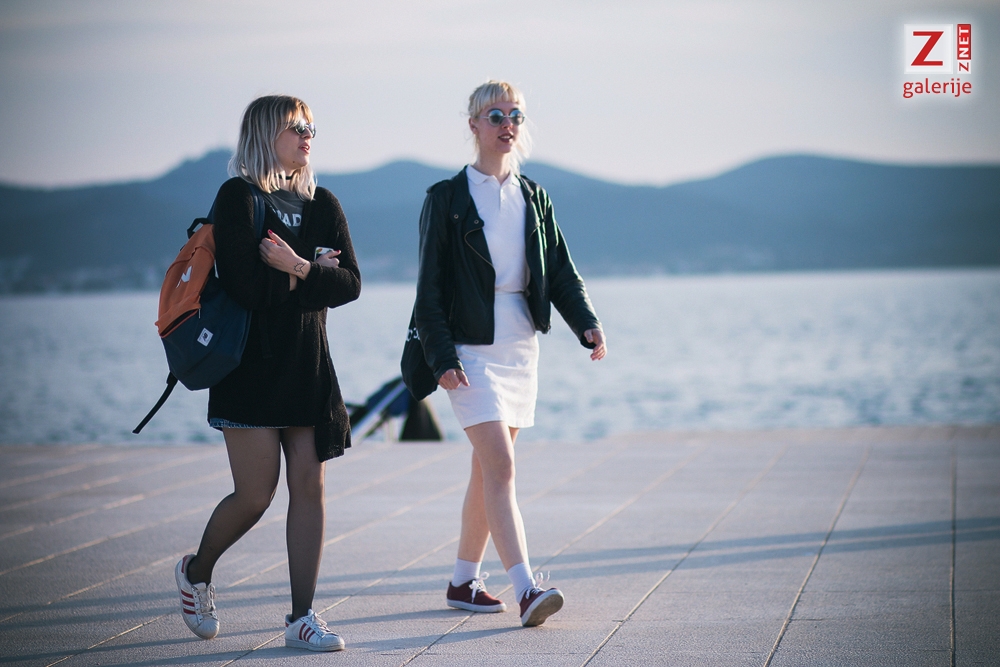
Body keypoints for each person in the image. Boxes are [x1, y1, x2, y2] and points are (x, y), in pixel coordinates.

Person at [413, 80, 607, 627]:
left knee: (487, 469)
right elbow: (428, 291)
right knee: (501, 464)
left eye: (515, 115)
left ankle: (462, 581)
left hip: (520, 345)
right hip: (468, 348)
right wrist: (441, 358)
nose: (507, 124)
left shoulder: (534, 197)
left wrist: (586, 322)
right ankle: (526, 589)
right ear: (473, 125)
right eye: (495, 115)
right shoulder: (447, 198)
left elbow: (561, 271)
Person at [173, 95, 361, 652]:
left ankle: (302, 618)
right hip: (249, 371)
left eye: (311, 127)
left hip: (308, 366)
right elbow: (246, 289)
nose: (308, 136)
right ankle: (196, 571)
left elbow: (349, 284)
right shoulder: (238, 197)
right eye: (295, 127)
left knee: (309, 488)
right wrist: (309, 275)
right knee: (255, 495)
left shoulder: (323, 203)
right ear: (264, 134)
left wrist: (294, 265)